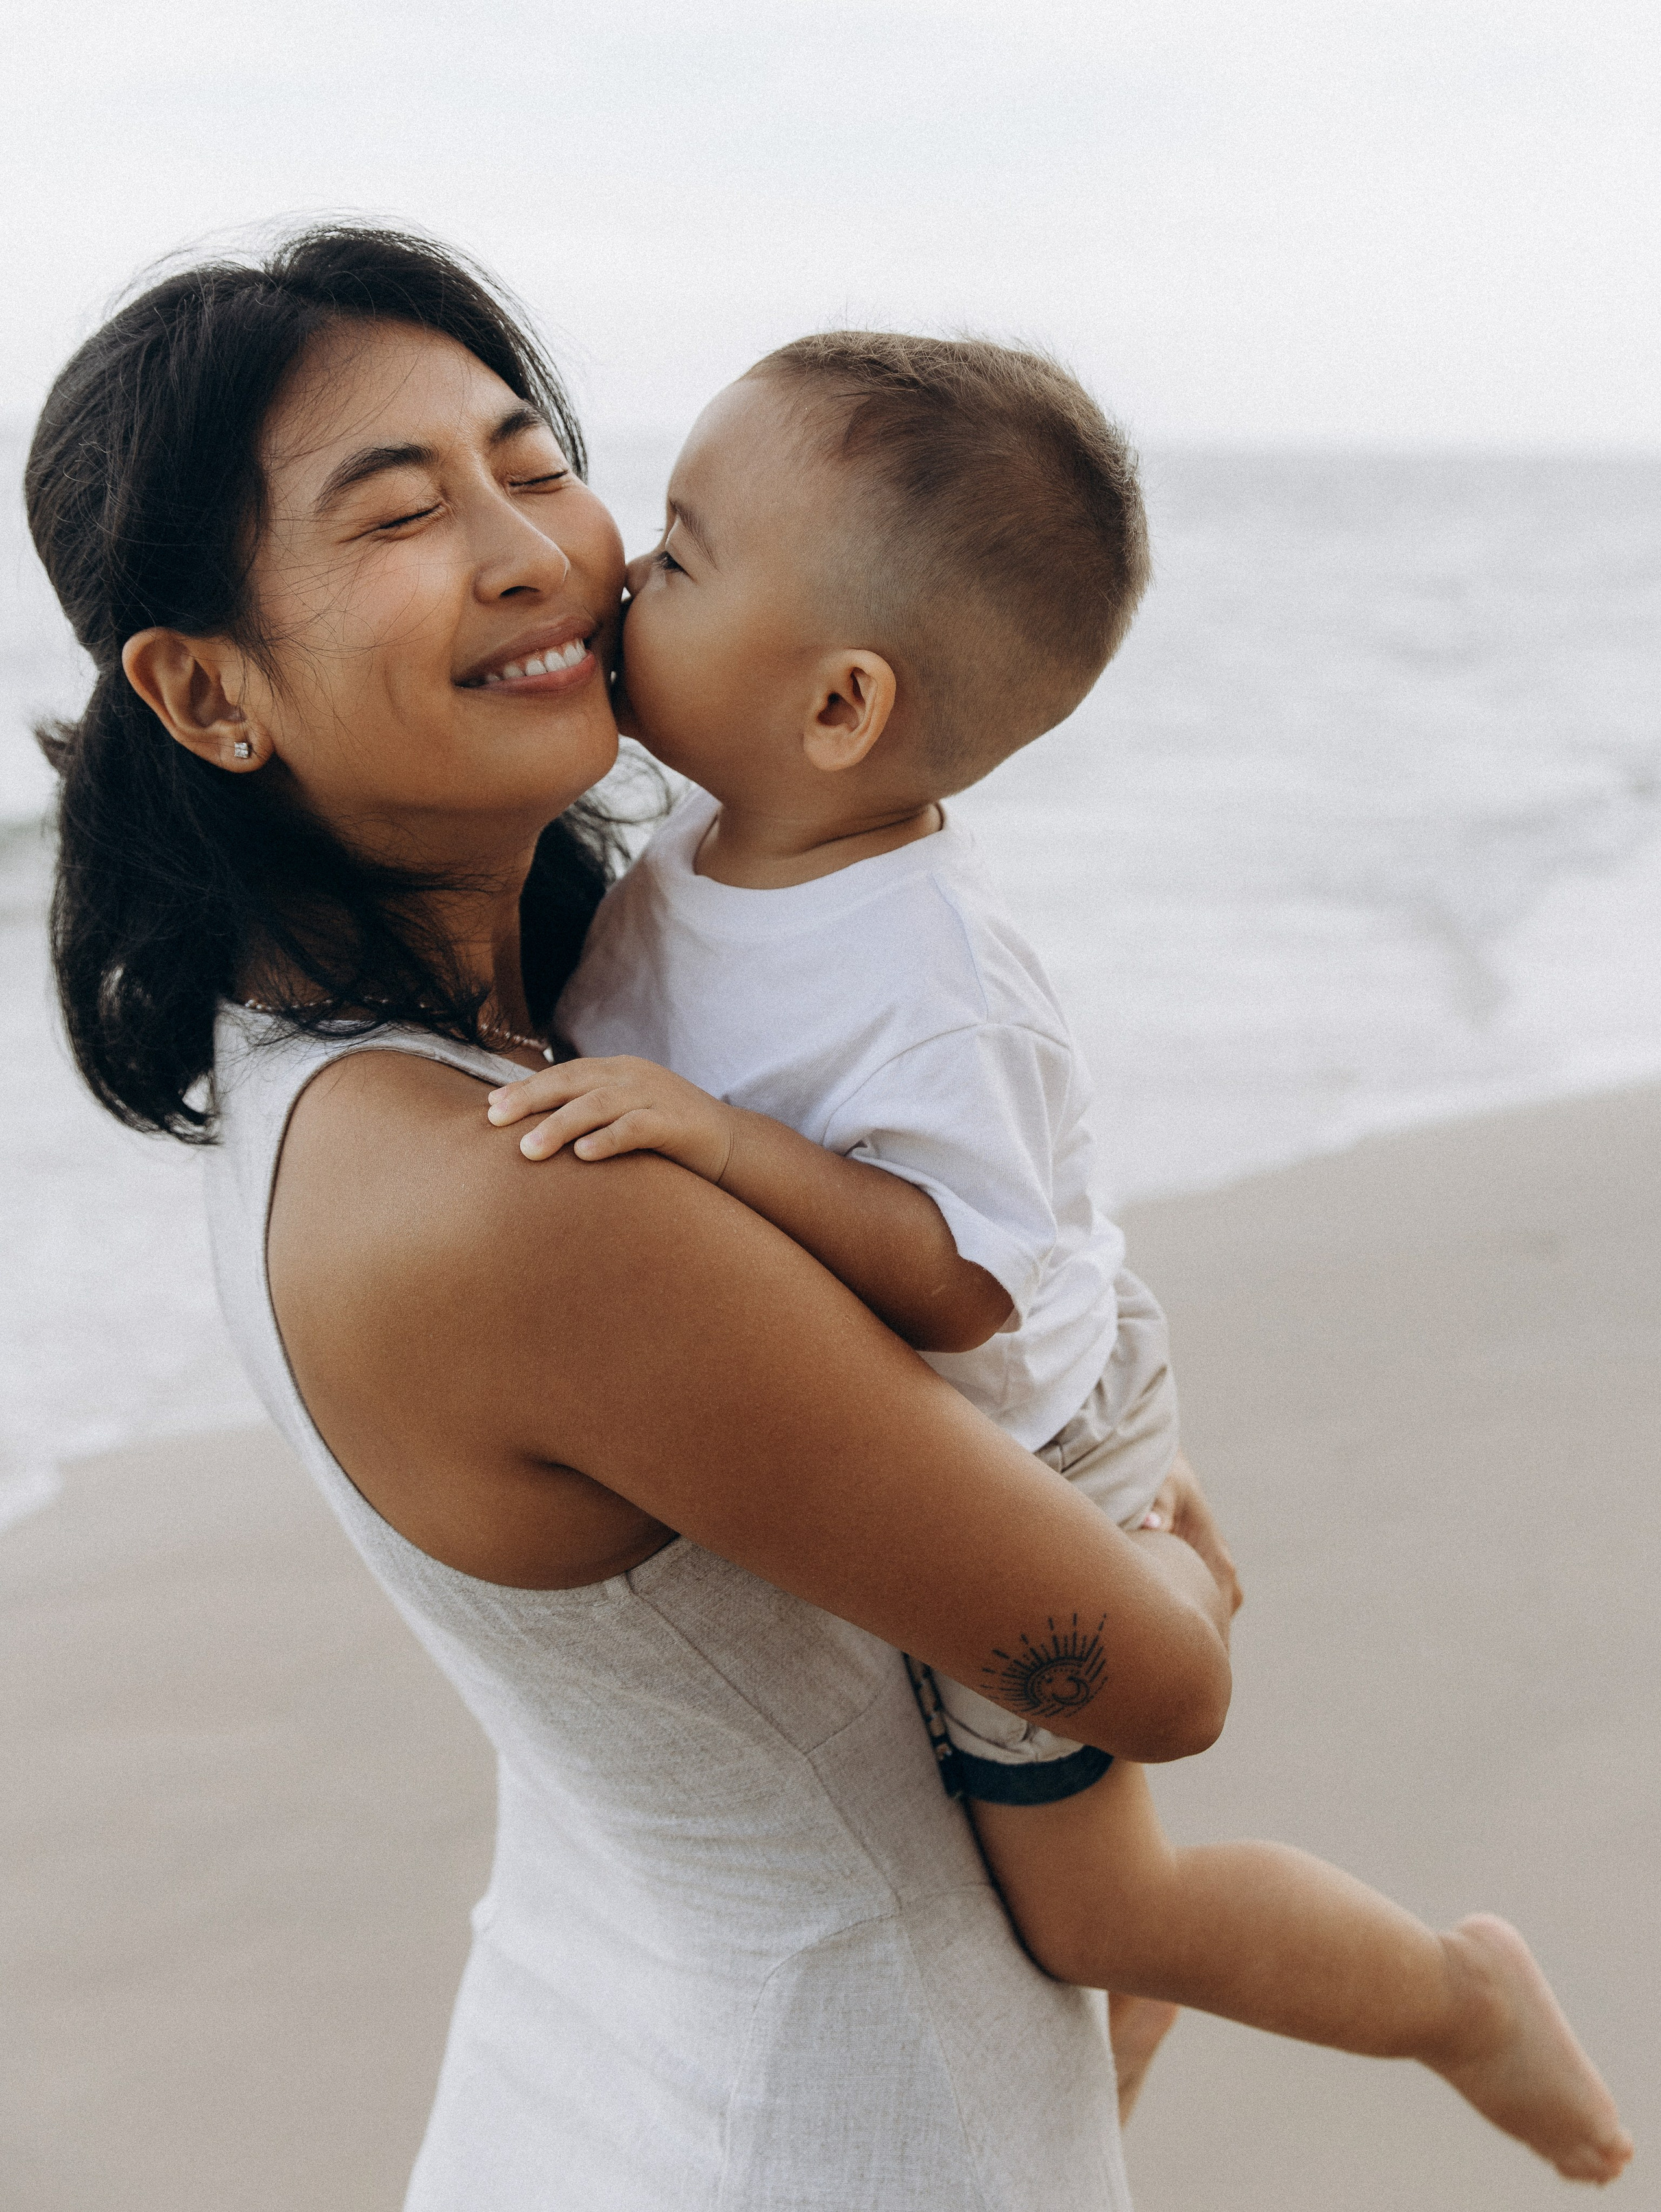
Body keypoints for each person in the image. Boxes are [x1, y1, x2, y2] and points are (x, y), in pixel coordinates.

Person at [26, 226, 1241, 2211]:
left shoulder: (398, 1061)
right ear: (204, 691)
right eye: (403, 510)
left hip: (601, 2072)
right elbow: (1151, 1682)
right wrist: (1173, 1543)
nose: (538, 551)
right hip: (839, 2133)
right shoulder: (538, 1196)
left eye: (533, 458)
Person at [485, 334, 1633, 2187]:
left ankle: (1453, 1992)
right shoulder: (717, 844)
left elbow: (959, 1283)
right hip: (1007, 1378)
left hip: (1038, 1427)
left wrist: (719, 1146)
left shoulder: (932, 984)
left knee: (1093, 1909)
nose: (622, 572)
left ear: (843, 703)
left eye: (684, 555)